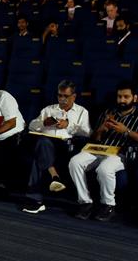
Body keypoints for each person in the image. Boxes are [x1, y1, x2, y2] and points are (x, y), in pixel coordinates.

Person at [68, 81, 138, 222]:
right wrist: (101, 129)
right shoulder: (107, 113)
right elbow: (95, 138)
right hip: (99, 149)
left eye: (126, 97)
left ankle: (108, 205)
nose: (122, 100)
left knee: (104, 168)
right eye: (119, 97)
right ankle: (85, 202)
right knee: (75, 162)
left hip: (120, 153)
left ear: (134, 98)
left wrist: (126, 131)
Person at [21, 80, 91, 214]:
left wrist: (69, 125)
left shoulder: (82, 112)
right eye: (60, 96)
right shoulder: (49, 109)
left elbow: (87, 132)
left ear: (74, 97)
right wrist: (43, 123)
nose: (62, 99)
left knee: (40, 151)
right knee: (42, 143)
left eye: (66, 96)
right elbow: (31, 125)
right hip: (46, 143)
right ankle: (54, 176)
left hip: (67, 146)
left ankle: (35, 199)